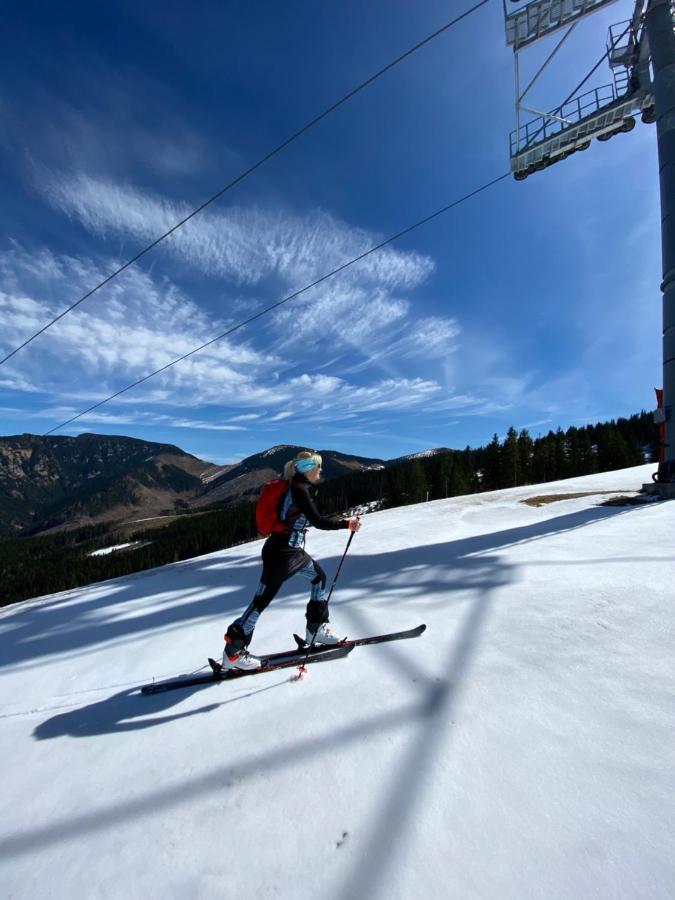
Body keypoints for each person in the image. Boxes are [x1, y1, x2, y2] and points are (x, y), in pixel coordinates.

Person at [222, 450, 362, 670]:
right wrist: (346, 524)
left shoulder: (298, 487)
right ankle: (233, 654)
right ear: (308, 469)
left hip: (290, 552)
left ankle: (315, 629)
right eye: (318, 466)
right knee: (260, 602)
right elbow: (318, 521)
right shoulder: (298, 489)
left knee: (319, 577)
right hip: (281, 553)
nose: (321, 470)